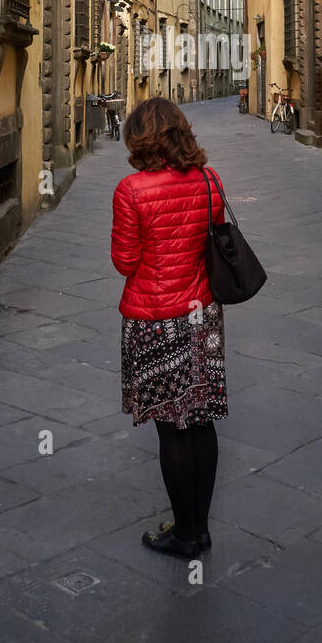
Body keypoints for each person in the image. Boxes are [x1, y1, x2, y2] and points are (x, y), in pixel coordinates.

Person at [111, 98, 227, 558]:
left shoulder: (131, 190)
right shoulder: (208, 179)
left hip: (157, 322)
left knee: (171, 429)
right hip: (203, 317)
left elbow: (125, 261)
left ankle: (183, 534)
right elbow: (212, 240)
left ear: (139, 138)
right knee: (200, 422)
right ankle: (200, 528)